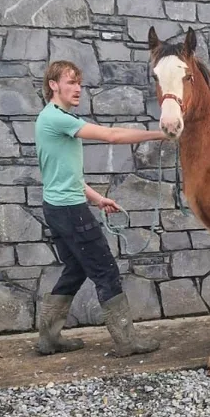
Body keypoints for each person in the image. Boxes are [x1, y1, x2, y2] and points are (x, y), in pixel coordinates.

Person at [34, 59, 168, 357]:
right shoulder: (58, 118)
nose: (77, 88)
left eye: (79, 83)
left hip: (57, 208)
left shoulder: (49, 118)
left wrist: (97, 198)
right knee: (105, 270)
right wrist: (161, 134)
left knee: (75, 269)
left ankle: (49, 339)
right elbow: (111, 136)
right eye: (71, 82)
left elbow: (65, 175)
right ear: (53, 85)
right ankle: (127, 342)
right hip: (69, 211)